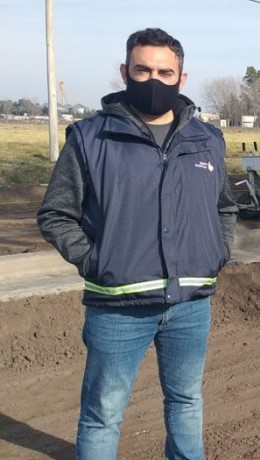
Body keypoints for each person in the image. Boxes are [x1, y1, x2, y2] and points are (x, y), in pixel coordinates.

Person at [36, 28, 237, 459]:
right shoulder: (91, 138)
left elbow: (225, 208)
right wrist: (96, 260)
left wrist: (218, 251)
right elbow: (55, 214)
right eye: (143, 69)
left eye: (166, 72)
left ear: (182, 79)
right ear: (125, 72)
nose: (154, 80)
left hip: (190, 305)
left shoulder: (208, 140)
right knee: (103, 413)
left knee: (186, 403)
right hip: (117, 307)